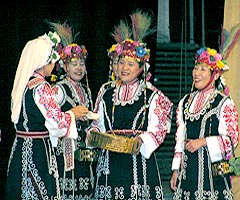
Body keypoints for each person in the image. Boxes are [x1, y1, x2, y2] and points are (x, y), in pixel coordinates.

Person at [86, 10, 173, 200]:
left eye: (131, 64)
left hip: (138, 162)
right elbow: (96, 123)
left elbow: (159, 127)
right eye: (122, 62)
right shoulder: (106, 92)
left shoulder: (151, 95)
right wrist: (92, 135)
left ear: (142, 68)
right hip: (109, 163)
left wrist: (142, 141)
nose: (125, 68)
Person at [5, 31, 89, 199]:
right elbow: (58, 123)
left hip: (20, 147)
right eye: (52, 60)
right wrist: (73, 113)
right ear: (44, 61)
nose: (54, 64)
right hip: (38, 151)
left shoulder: (23, 83)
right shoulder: (41, 86)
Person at [170, 47, 239, 199]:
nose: (197, 73)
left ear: (215, 75)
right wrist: (176, 169)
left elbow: (232, 139)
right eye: (196, 68)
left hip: (214, 172)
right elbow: (180, 138)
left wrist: (203, 142)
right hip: (189, 171)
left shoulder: (224, 102)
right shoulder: (185, 102)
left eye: (203, 69)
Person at [50, 21, 100, 199]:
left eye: (81, 63)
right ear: (64, 66)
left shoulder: (86, 90)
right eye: (74, 64)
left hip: (85, 151)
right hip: (66, 151)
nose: (79, 68)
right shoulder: (59, 89)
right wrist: (71, 116)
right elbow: (51, 119)